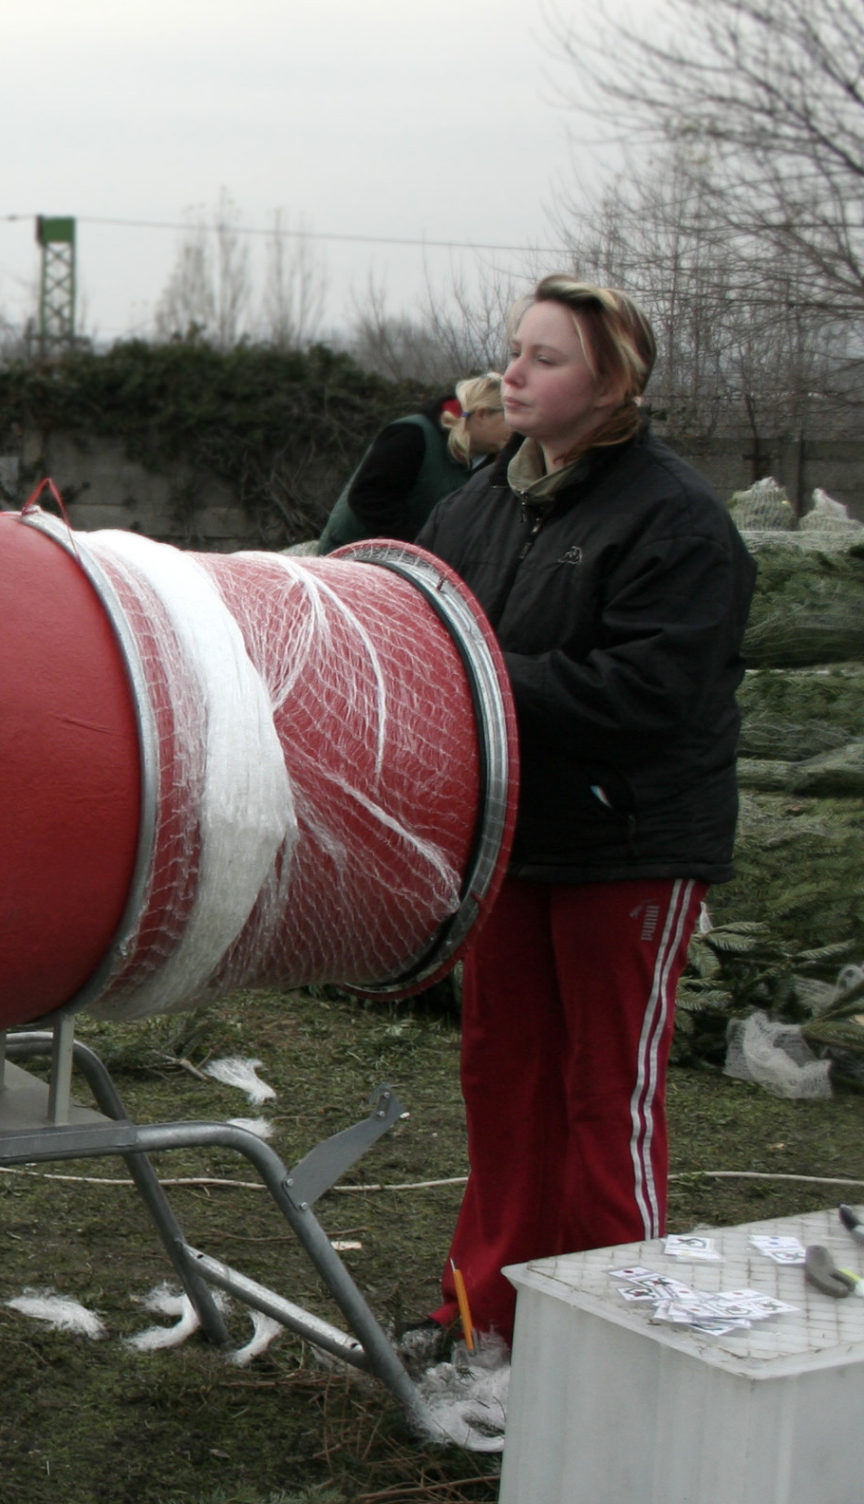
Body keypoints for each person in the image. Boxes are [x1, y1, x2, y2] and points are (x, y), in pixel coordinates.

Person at [413, 276, 753, 1344]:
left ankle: (616, 1333)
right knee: (502, 1075)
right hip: (511, 839)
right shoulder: (477, 505)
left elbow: (651, 695)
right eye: (513, 350)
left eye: (546, 357)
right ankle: (485, 1314)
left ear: (612, 384)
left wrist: (480, 673)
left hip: (630, 844)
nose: (513, 373)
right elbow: (419, 621)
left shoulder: (676, 520)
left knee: (606, 1092)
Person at [316, 372, 510, 553]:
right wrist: (421, 544)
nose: (517, 428)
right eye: (509, 417)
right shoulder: (412, 435)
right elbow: (367, 498)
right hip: (353, 555)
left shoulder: (492, 462)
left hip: (412, 564)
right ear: (482, 414)